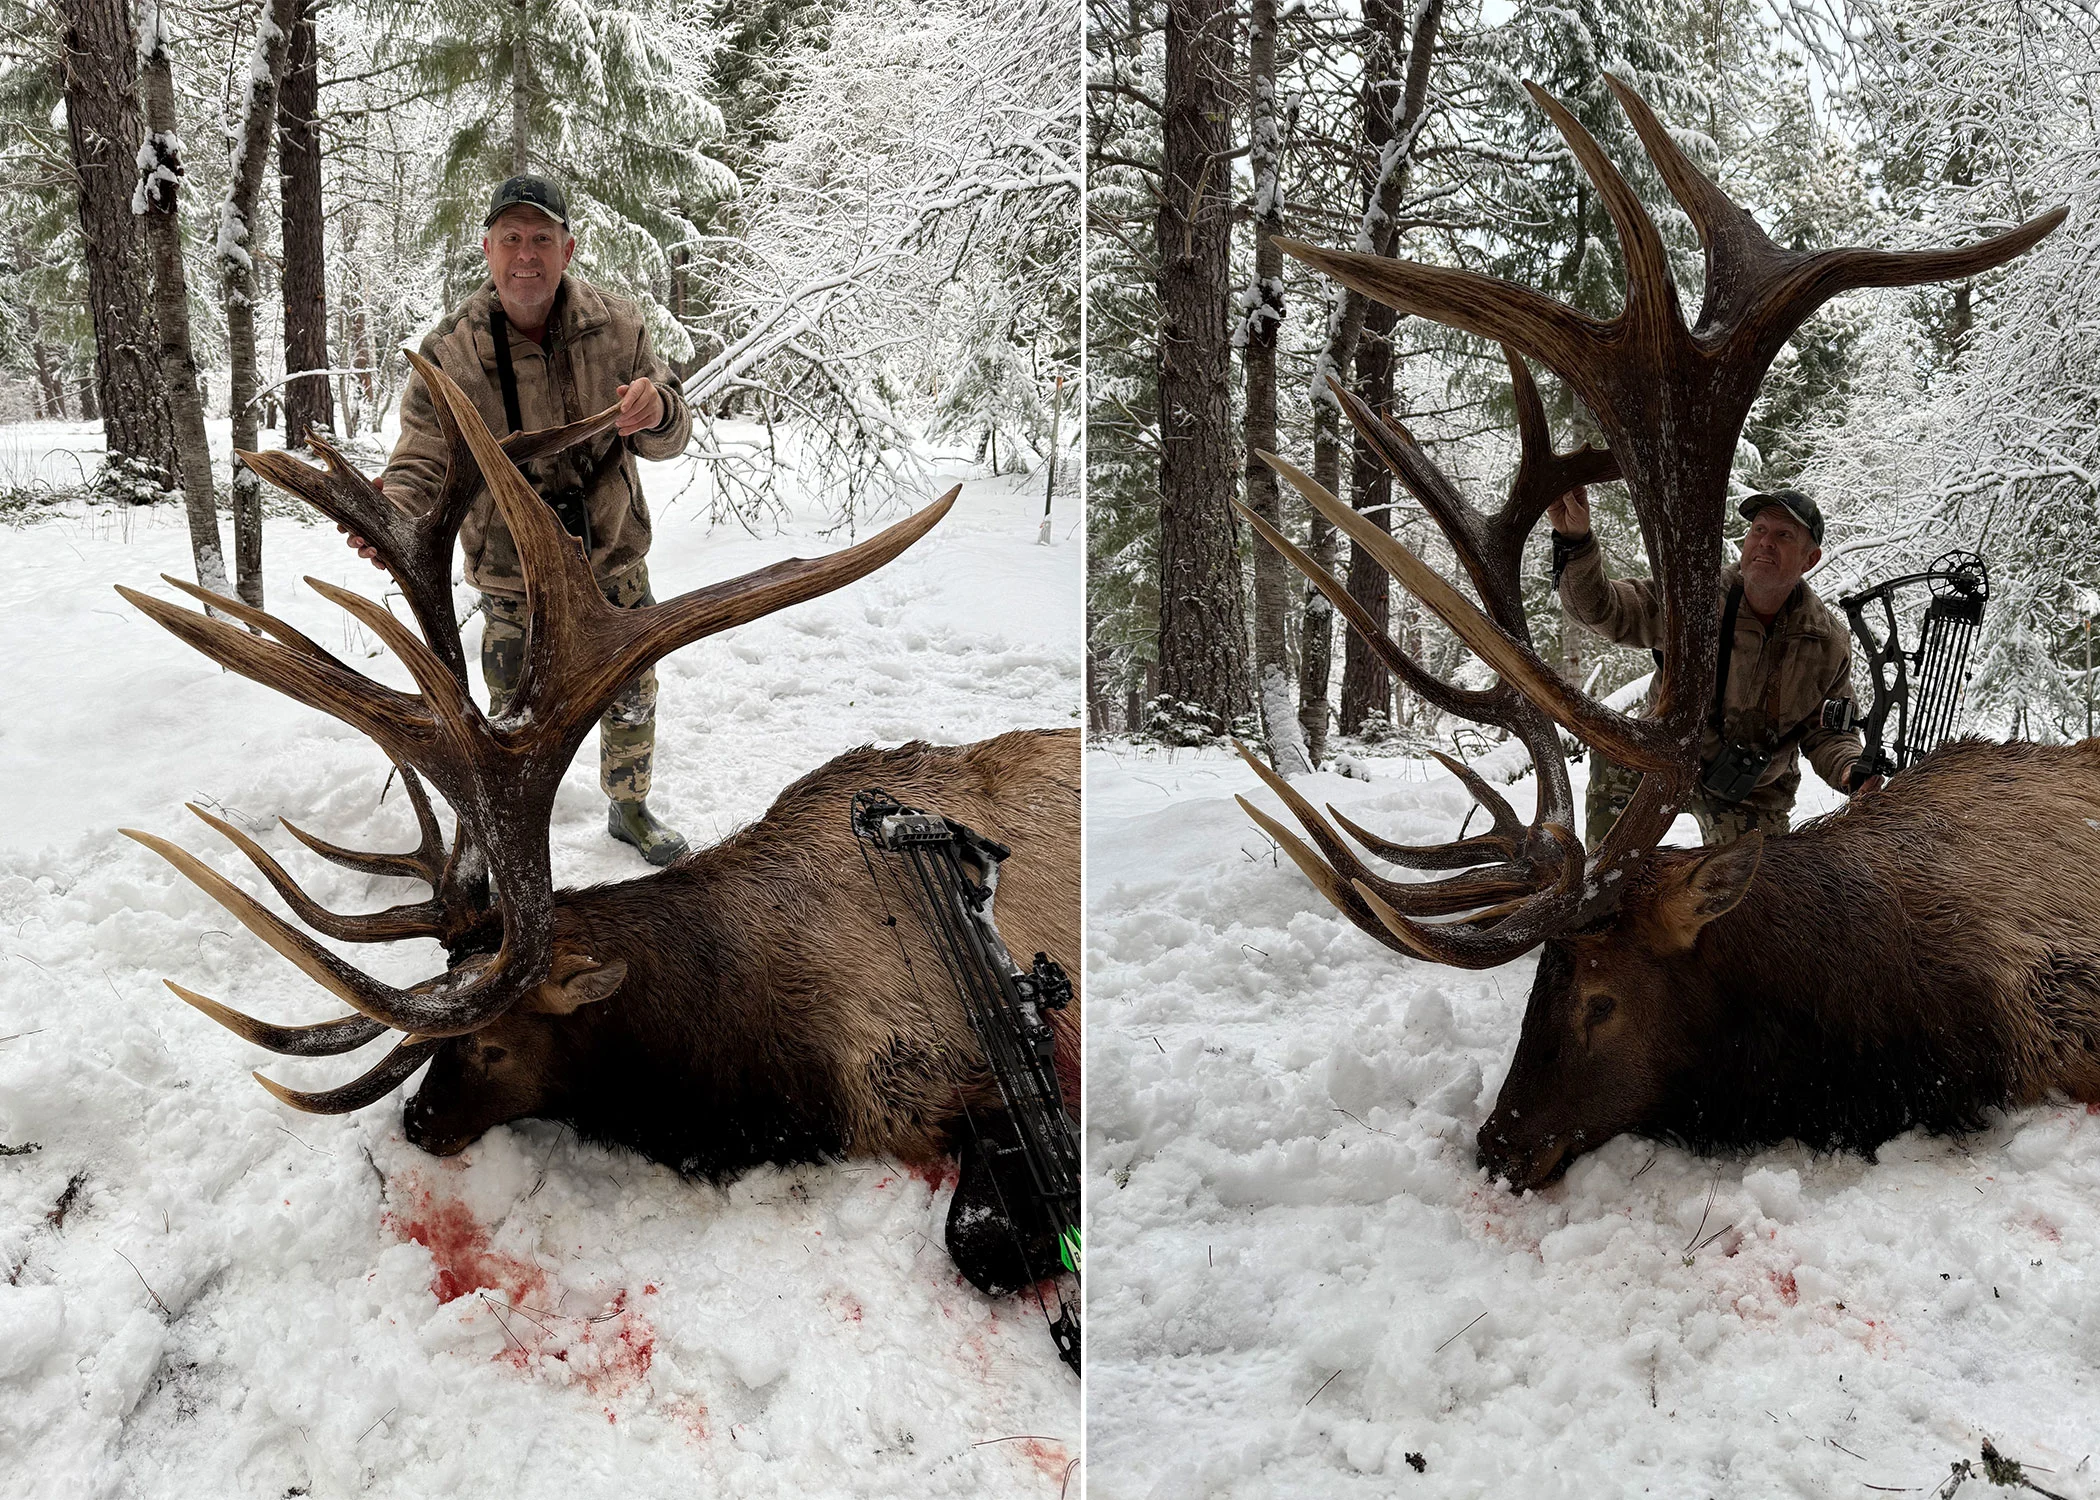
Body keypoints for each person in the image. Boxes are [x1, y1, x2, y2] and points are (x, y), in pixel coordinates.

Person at [349, 174, 694, 865]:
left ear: (568, 249)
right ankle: (510, 834)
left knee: (631, 695)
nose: (526, 255)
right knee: (513, 724)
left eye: (541, 238)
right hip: (513, 581)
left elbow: (669, 433)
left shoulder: (619, 328)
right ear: (487, 249)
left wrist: (657, 410)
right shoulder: (448, 353)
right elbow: (420, 461)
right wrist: (391, 517)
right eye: (512, 238)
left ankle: (629, 808)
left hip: (611, 566)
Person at [1550, 484, 1881, 849]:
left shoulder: (1826, 643)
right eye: (1759, 530)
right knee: (1616, 769)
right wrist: (1576, 542)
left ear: (1810, 559)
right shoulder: (1692, 595)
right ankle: (1605, 883)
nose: (1766, 542)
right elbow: (1602, 609)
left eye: (1784, 535)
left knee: (1754, 895)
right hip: (1664, 757)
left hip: (1752, 791)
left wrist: (1851, 769)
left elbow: (1829, 732)